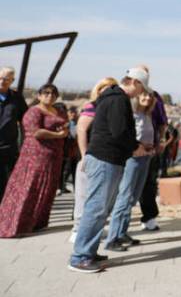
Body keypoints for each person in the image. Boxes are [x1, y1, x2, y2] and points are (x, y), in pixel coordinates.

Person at [69, 67, 145, 273]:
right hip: (105, 159)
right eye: (142, 87)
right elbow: (119, 131)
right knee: (96, 208)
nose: (142, 93)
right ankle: (80, 256)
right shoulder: (118, 99)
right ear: (135, 82)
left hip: (108, 159)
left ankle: (88, 251)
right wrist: (135, 146)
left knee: (100, 208)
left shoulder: (113, 97)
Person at [0, 83, 68, 237]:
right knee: (30, 187)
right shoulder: (34, 111)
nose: (49, 96)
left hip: (54, 155)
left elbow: (64, 125)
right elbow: (36, 132)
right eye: (46, 93)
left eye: (53, 93)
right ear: (39, 95)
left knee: (47, 189)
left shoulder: (58, 110)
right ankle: (15, 225)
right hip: (35, 156)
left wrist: (64, 130)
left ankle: (36, 223)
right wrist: (58, 135)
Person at [104, 87, 157, 251]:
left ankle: (122, 233)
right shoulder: (131, 115)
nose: (147, 98)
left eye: (150, 95)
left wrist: (151, 148)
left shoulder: (147, 115)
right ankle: (112, 238)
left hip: (145, 158)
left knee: (133, 198)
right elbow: (127, 137)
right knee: (124, 197)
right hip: (132, 159)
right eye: (144, 94)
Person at [70, 78, 118, 242]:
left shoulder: (111, 108)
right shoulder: (92, 107)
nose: (106, 90)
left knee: (100, 197)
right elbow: (81, 129)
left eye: (111, 87)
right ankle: (77, 229)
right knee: (83, 195)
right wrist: (84, 155)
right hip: (90, 157)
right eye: (103, 87)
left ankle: (91, 230)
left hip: (105, 158)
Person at [139, 84, 169, 232]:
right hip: (129, 150)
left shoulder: (153, 96)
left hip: (150, 150)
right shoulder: (125, 97)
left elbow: (163, 122)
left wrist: (160, 141)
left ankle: (149, 217)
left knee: (149, 184)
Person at [0, 66, 28, 203]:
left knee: (6, 184)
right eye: (0, 77)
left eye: (6, 79)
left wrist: (24, 144)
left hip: (8, 149)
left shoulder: (16, 98)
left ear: (12, 80)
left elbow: (25, 121)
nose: (2, 81)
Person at [61, 105, 80, 193]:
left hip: (76, 152)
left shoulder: (80, 123)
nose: (73, 114)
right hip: (67, 151)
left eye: (74, 112)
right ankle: (62, 187)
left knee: (76, 171)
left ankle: (77, 188)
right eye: (71, 112)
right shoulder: (65, 124)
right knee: (66, 170)